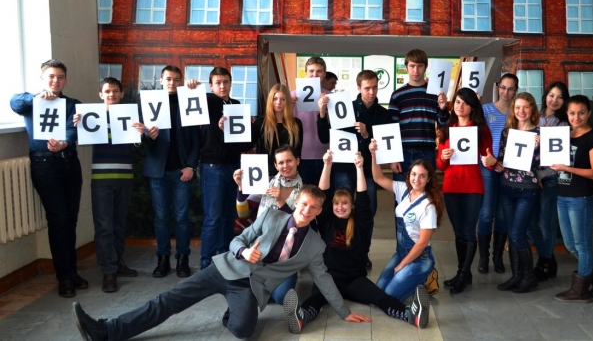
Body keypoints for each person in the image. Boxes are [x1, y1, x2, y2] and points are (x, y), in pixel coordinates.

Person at [71, 185, 372, 341]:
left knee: (243, 330)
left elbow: (323, 279)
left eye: (313, 207)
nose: (306, 210)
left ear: (319, 212)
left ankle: (232, 314)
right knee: (169, 300)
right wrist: (244, 253)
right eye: (303, 204)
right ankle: (107, 330)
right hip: (225, 268)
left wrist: (344, 312)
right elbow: (236, 240)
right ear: (296, 202)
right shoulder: (270, 215)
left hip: (250, 288)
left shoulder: (315, 246)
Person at [283, 150, 430, 334]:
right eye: (336, 203)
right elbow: (323, 193)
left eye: (345, 203)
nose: (340, 207)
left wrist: (360, 168)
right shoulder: (326, 221)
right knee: (315, 300)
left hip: (354, 280)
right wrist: (327, 165)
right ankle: (300, 318)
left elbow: (362, 197)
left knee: (380, 297)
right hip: (328, 278)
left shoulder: (361, 222)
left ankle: (411, 315)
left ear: (352, 206)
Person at [10, 59, 88, 298]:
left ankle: (71, 271)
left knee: (71, 219)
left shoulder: (73, 104)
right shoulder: (32, 102)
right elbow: (14, 102)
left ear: (66, 80)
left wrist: (64, 142)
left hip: (70, 162)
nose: (56, 81)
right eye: (51, 76)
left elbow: (73, 129)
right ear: (42, 79)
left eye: (60, 77)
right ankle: (64, 277)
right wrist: (36, 97)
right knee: (58, 220)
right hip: (44, 164)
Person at [72, 78, 143, 292]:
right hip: (101, 179)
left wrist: (140, 133)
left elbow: (138, 148)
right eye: (107, 91)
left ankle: (117, 262)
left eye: (115, 91)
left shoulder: (131, 117)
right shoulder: (91, 116)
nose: (111, 94)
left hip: (124, 178)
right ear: (100, 94)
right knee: (104, 225)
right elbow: (79, 138)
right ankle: (108, 271)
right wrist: (76, 125)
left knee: (119, 223)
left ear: (121, 94)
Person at [316, 70, 392, 268]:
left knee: (368, 212)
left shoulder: (383, 114)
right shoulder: (345, 107)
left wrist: (367, 134)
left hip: (368, 171)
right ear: (359, 88)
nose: (371, 92)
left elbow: (387, 147)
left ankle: (362, 252)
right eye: (367, 88)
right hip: (343, 168)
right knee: (341, 209)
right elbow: (324, 137)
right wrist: (322, 114)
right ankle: (339, 249)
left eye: (375, 87)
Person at [186, 68, 257, 270]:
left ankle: (225, 258)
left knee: (229, 216)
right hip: (212, 166)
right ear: (211, 86)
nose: (222, 86)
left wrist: (250, 126)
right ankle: (206, 264)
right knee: (213, 217)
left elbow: (245, 144)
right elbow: (189, 104)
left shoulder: (237, 106)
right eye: (218, 82)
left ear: (231, 83)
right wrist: (191, 89)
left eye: (225, 81)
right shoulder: (207, 101)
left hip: (234, 166)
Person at [549, 95, 593, 302]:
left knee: (582, 245)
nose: (576, 117)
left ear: (589, 113)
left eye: (581, 113)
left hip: (582, 198)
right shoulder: (564, 135)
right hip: (563, 196)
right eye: (572, 113)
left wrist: (566, 168)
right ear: (567, 114)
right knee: (570, 244)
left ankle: (580, 290)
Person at [369, 139, 445, 301]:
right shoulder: (403, 189)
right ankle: (417, 280)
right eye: (414, 174)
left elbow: (422, 243)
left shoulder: (428, 206)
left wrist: (402, 265)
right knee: (378, 291)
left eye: (422, 176)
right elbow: (378, 178)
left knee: (390, 296)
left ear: (428, 179)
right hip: (402, 252)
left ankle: (423, 276)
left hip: (420, 258)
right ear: (409, 174)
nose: (417, 179)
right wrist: (374, 155)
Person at [143, 66, 200, 278]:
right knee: (160, 217)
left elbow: (196, 140)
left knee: (182, 218)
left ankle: (183, 258)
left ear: (181, 81)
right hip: (157, 171)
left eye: (176, 79)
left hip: (181, 172)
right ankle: (163, 259)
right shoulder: (149, 103)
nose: (172, 83)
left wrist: (191, 166)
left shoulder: (188, 101)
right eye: (168, 79)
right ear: (161, 80)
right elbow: (142, 140)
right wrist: (149, 136)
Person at [230, 145, 303, 310]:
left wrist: (281, 201)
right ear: (276, 165)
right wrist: (241, 188)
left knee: (281, 297)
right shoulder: (266, 182)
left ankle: (271, 282)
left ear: (297, 161)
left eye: (289, 161)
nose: (285, 166)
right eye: (281, 162)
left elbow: (298, 225)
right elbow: (243, 213)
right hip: (261, 248)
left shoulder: (305, 191)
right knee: (246, 290)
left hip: (286, 253)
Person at [482, 92, 541, 293]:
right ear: (513, 110)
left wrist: (537, 149)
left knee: (517, 233)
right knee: (512, 233)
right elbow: (502, 162)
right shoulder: (507, 132)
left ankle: (529, 277)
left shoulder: (539, 134)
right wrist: (494, 163)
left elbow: (544, 166)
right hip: (507, 188)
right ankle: (517, 276)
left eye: (525, 107)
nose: (521, 111)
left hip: (528, 190)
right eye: (517, 107)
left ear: (532, 109)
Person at [436, 88, 492, 294]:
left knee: (468, 231)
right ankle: (464, 272)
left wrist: (491, 160)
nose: (460, 106)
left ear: (472, 107)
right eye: (458, 102)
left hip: (472, 186)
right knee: (458, 232)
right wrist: (444, 157)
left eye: (465, 103)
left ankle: (462, 273)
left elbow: (489, 158)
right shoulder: (447, 129)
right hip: (451, 186)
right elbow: (440, 165)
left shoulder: (480, 129)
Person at [527, 81, 569, 281]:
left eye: (560, 97)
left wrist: (542, 144)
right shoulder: (534, 117)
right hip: (531, 177)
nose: (554, 100)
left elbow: (559, 156)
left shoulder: (563, 124)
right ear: (545, 96)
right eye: (552, 95)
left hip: (550, 178)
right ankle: (548, 258)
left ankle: (544, 262)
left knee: (546, 222)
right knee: (530, 222)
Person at [477, 73, 518, 275]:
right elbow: (477, 137)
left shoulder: (517, 113)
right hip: (487, 166)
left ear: (515, 91)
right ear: (497, 87)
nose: (506, 92)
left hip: (510, 168)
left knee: (503, 214)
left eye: (510, 89)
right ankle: (484, 257)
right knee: (486, 213)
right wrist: (488, 159)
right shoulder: (485, 110)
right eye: (503, 87)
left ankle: (497, 256)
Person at [388, 49, 449, 179]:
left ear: (425, 67)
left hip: (427, 152)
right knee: (401, 192)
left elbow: (444, 125)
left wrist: (444, 108)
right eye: (412, 66)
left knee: (427, 191)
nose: (415, 70)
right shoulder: (397, 95)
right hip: (402, 153)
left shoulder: (435, 94)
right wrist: (393, 157)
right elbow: (391, 128)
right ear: (406, 67)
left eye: (419, 66)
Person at [292, 57, 332, 186]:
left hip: (326, 155)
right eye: (311, 71)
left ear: (324, 74)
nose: (315, 74)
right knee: (303, 195)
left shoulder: (332, 97)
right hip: (300, 156)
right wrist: (287, 106)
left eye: (319, 71)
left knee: (325, 194)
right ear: (305, 73)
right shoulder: (291, 97)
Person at [253, 83, 302, 176]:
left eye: (283, 99)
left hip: (289, 175)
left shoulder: (296, 124)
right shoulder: (261, 123)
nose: (278, 102)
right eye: (275, 98)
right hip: (266, 174)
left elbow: (297, 152)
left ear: (287, 101)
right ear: (270, 100)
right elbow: (246, 145)